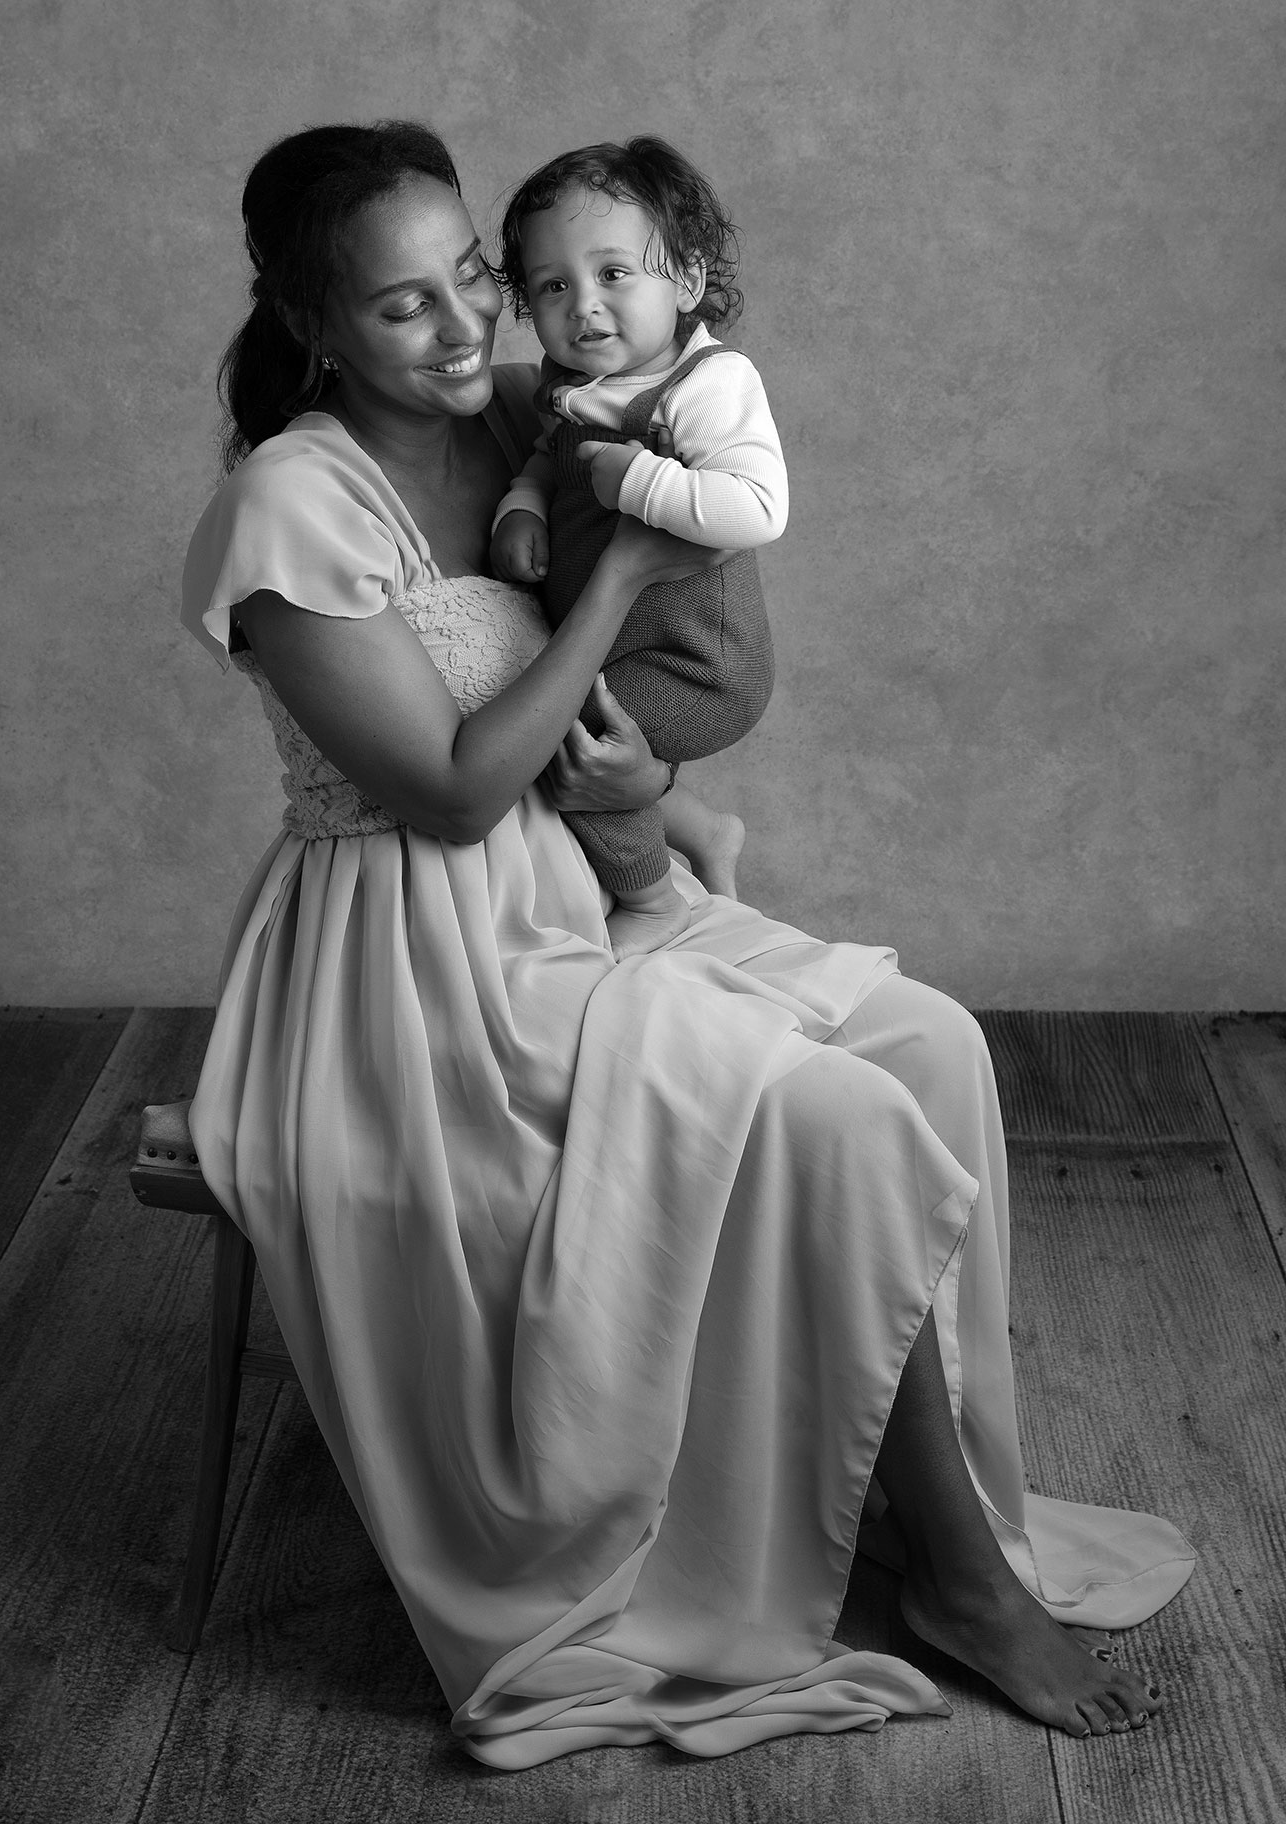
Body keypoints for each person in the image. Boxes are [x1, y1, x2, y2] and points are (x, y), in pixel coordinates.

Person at [181, 121, 1193, 1770]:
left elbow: (703, 513)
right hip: (411, 967)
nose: (462, 334)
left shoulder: (515, 414)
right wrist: (622, 572)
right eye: (400, 310)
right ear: (311, 326)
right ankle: (951, 1577)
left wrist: (653, 769)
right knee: (835, 1113)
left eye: (471, 284)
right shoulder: (289, 505)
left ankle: (889, 1479)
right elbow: (441, 793)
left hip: (570, 890)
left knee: (926, 1037)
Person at [491, 136, 786, 959]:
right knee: (565, 719)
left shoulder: (707, 385)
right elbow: (546, 461)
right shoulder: (573, 386)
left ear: (687, 279)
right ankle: (703, 827)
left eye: (614, 274)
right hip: (631, 643)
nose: (583, 305)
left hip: (700, 660)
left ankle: (653, 901)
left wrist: (637, 482)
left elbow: (758, 507)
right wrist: (524, 507)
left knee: (568, 736)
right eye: (553, 286)